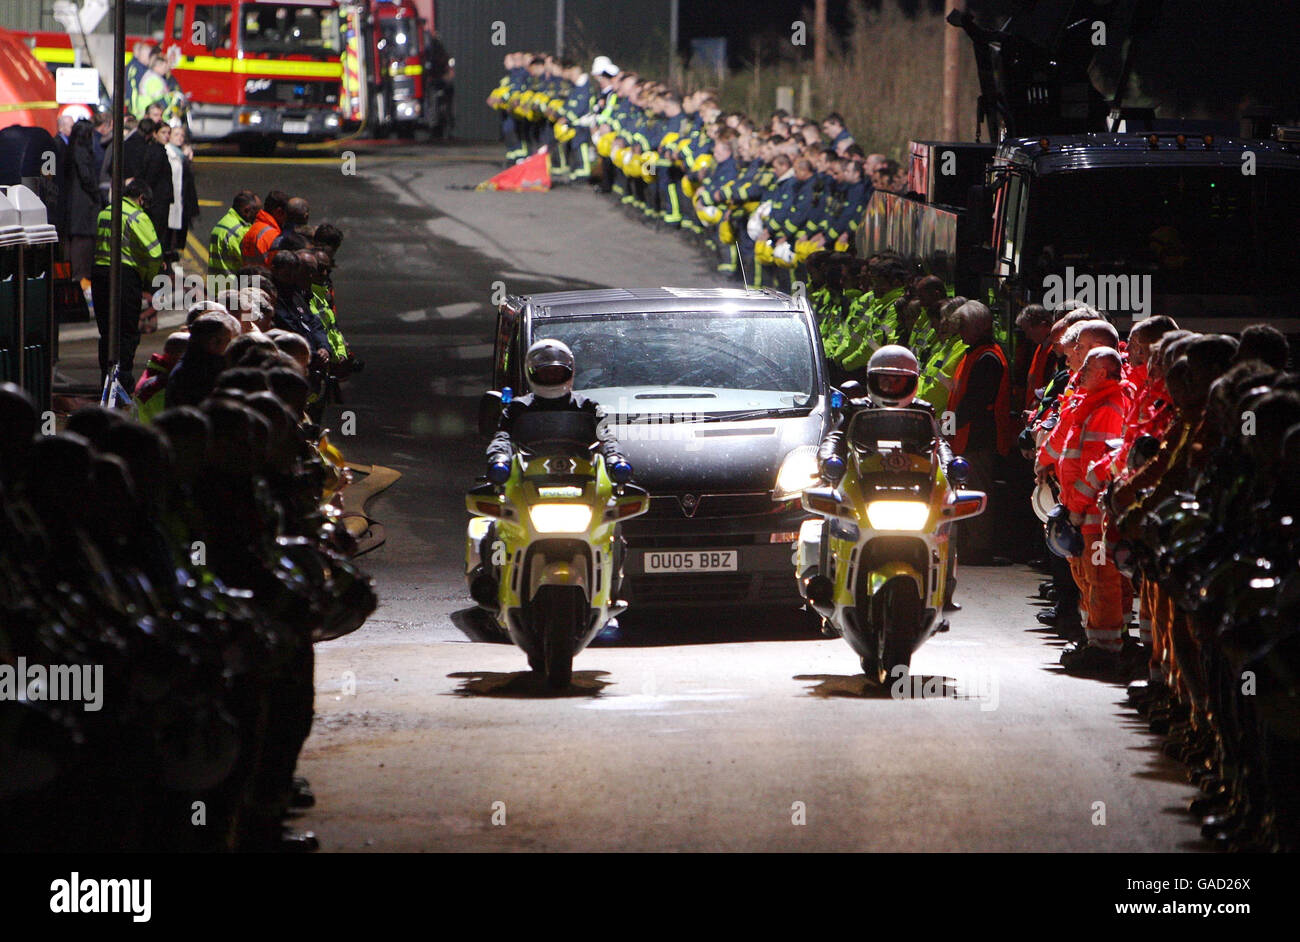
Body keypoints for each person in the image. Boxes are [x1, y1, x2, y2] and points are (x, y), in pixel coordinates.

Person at [946, 301, 1012, 565]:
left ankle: (978, 548)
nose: (960, 332)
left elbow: (973, 404)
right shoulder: (976, 354)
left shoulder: (987, 358)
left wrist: (947, 428)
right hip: (968, 435)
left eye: (963, 326)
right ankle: (971, 544)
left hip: (977, 437)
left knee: (977, 491)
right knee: (971, 489)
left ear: (975, 327)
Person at [90, 179, 169, 392]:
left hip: (100, 274)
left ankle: (105, 379)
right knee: (126, 332)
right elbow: (154, 254)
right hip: (125, 277)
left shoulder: (106, 212)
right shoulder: (138, 216)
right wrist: (150, 278)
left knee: (106, 331)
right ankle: (122, 379)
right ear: (142, 199)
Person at [58, 119, 103, 283]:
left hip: (74, 200)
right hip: (84, 202)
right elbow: (86, 177)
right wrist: (96, 193)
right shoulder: (82, 151)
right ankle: (81, 277)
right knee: (83, 242)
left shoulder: (70, 149)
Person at [164, 124, 199, 253]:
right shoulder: (170, 153)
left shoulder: (181, 155)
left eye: (182, 135)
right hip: (172, 201)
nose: (180, 138)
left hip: (181, 201)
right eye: (176, 134)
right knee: (170, 235)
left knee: (176, 236)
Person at [208, 191, 261, 277]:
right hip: (232, 286)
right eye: (257, 212)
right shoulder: (240, 231)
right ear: (247, 211)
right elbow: (249, 264)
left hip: (215, 284)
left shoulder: (223, 223)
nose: (258, 216)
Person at [139, 119, 175, 240]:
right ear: (155, 134)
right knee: (157, 233)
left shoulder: (159, 150)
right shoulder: (156, 153)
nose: (167, 136)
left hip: (159, 200)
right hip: (157, 201)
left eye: (168, 133)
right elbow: (151, 177)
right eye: (163, 132)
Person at [242, 190, 289, 266]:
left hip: (248, 276)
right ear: (279, 212)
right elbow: (276, 267)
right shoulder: (272, 236)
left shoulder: (254, 228)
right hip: (263, 276)